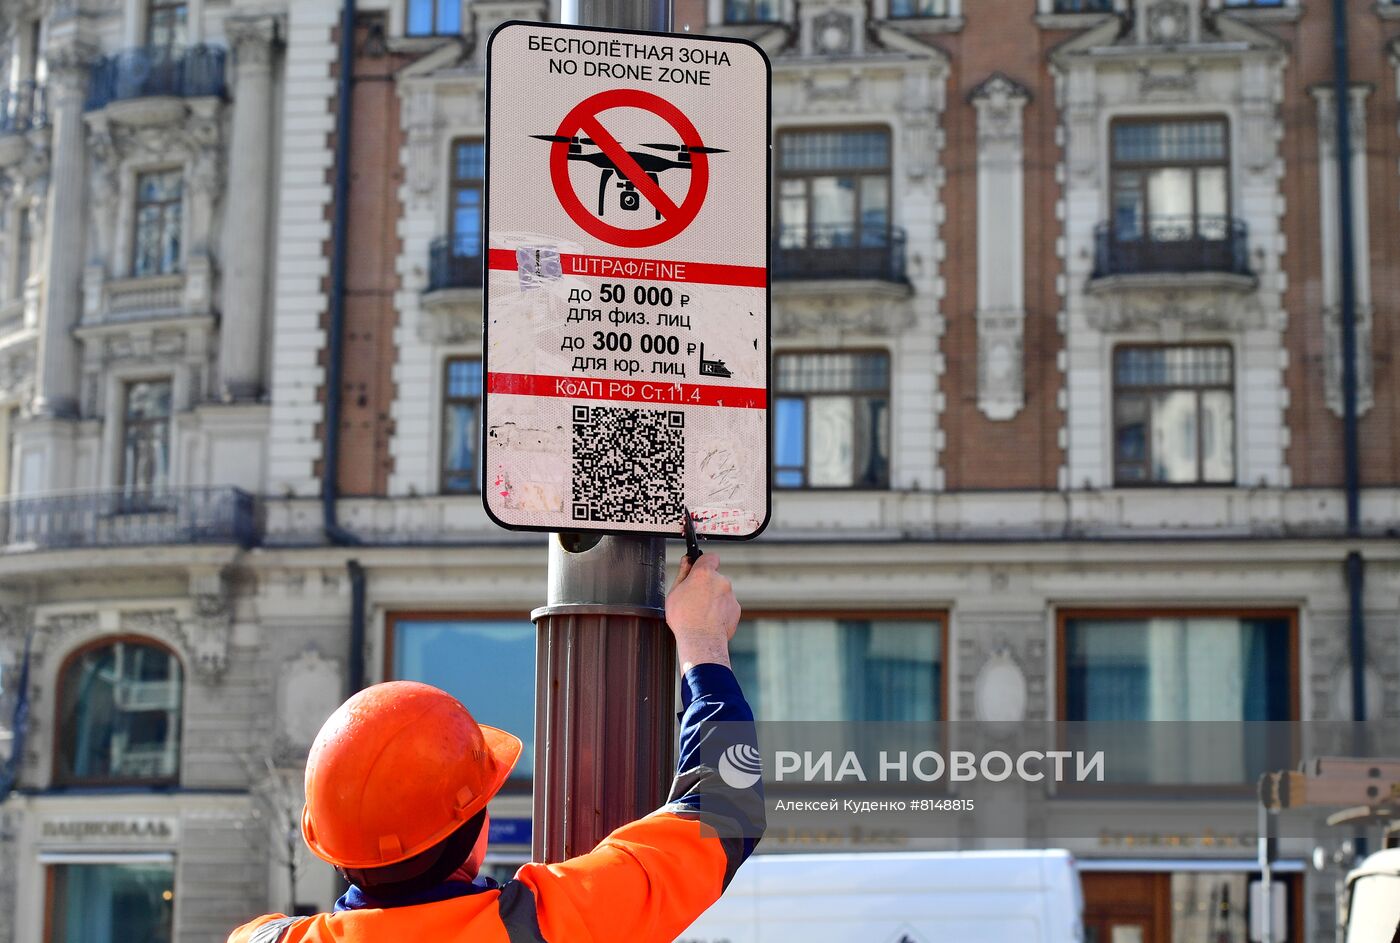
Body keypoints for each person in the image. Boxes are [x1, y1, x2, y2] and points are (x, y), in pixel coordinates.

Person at [228, 553, 764, 943]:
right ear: (471, 831)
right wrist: (702, 641)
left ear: (328, 839)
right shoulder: (547, 926)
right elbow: (724, 809)